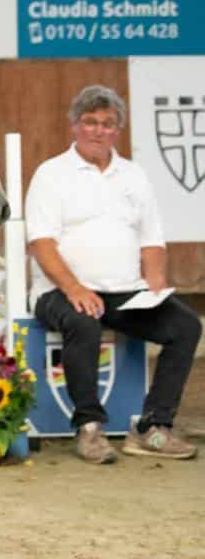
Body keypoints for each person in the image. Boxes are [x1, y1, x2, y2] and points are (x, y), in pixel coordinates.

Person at [25, 84, 200, 465]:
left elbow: (152, 241)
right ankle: (89, 429)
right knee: (84, 321)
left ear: (118, 130)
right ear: (74, 125)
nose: (98, 130)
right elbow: (41, 242)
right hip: (58, 290)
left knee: (186, 326)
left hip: (125, 291)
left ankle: (153, 428)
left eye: (107, 124)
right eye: (90, 122)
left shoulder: (134, 176)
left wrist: (154, 285)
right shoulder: (51, 174)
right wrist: (74, 288)